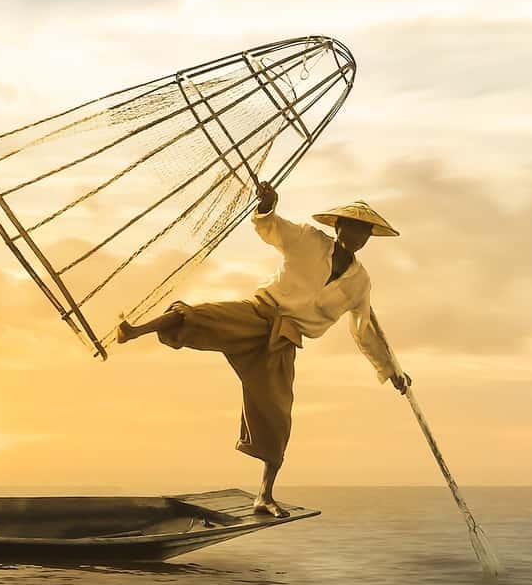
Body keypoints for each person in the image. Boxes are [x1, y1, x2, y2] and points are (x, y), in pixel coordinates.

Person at [115, 181, 408, 516]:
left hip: (285, 339)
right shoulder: (309, 240)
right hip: (259, 313)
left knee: (277, 414)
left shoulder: (360, 282)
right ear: (338, 226)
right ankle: (135, 331)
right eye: (352, 228)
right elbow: (272, 229)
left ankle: (264, 495)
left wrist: (391, 370)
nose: (356, 237)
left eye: (363, 233)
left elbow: (365, 328)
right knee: (201, 316)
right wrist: (268, 206)